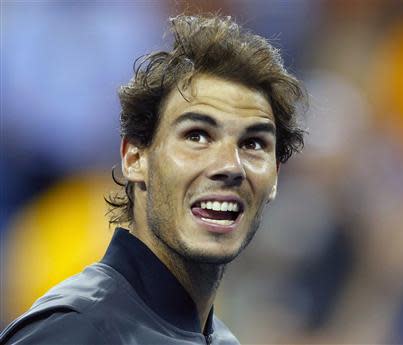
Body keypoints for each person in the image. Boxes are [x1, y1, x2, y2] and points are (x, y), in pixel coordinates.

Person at [0, 14, 305, 345]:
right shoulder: (73, 332)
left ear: (275, 177)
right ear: (134, 158)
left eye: (253, 143)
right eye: (198, 136)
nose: (230, 166)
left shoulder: (223, 340)